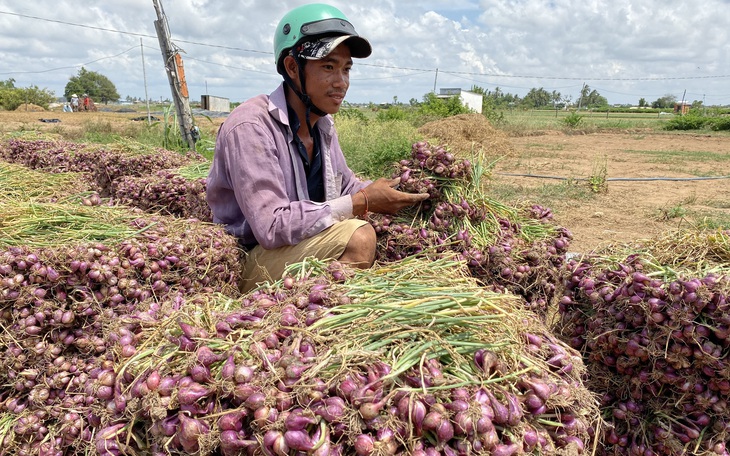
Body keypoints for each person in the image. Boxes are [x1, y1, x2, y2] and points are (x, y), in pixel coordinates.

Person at [206, 3, 428, 292]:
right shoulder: (251, 127)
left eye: (346, 69)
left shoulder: (321, 127)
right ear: (292, 67)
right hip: (251, 259)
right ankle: (316, 323)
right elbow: (271, 227)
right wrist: (363, 202)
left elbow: (347, 186)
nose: (341, 82)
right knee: (360, 237)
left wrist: (402, 193)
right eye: (328, 67)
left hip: (296, 246)